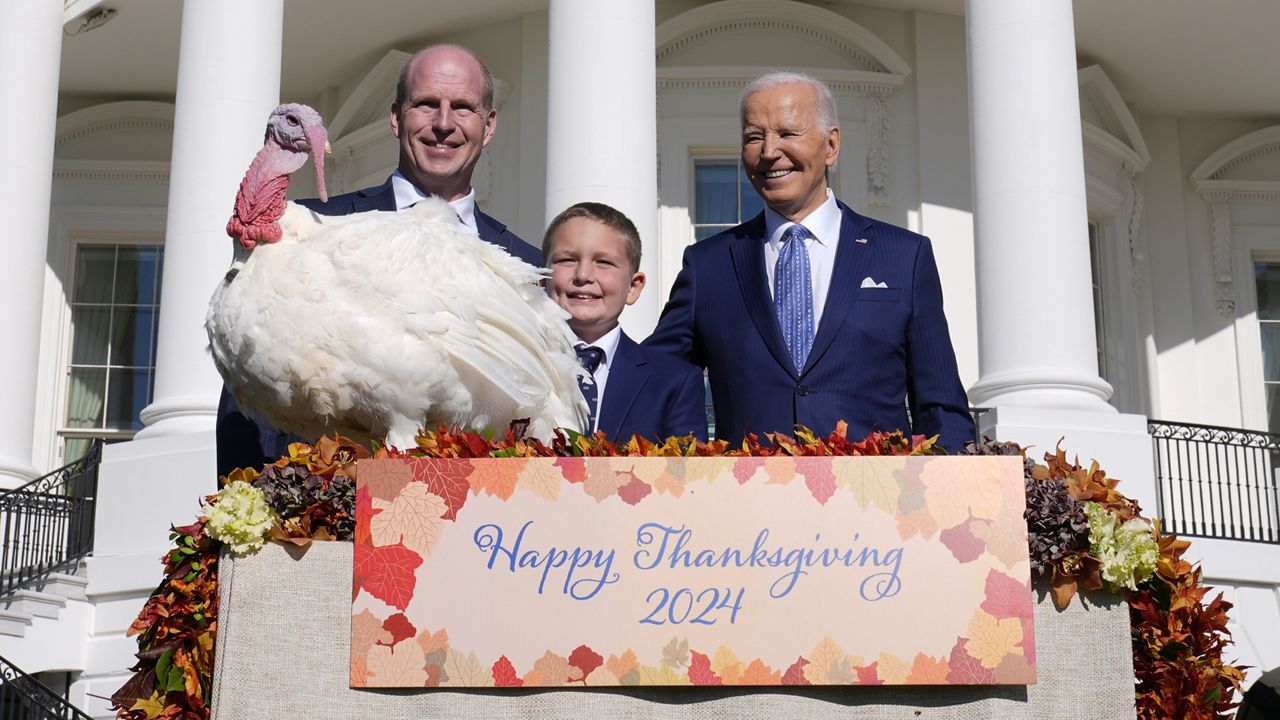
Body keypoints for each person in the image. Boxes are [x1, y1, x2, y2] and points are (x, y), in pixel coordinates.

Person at [216, 44, 537, 476]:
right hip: (316, 529)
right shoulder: (311, 226)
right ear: (395, 116)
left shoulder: (524, 264)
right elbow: (248, 374)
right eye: (425, 104)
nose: (443, 124)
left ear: (489, 124)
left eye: (462, 107)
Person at [644, 71, 974, 451]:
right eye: (754, 137)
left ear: (831, 145)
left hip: (878, 501)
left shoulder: (903, 256)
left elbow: (941, 407)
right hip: (747, 500)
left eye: (787, 133)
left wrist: (949, 500)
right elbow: (652, 382)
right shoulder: (709, 265)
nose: (769, 151)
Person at [544, 202, 707, 442]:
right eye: (567, 259)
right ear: (542, 279)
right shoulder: (512, 369)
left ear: (633, 286)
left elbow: (687, 476)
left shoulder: (674, 381)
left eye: (604, 262)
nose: (583, 275)